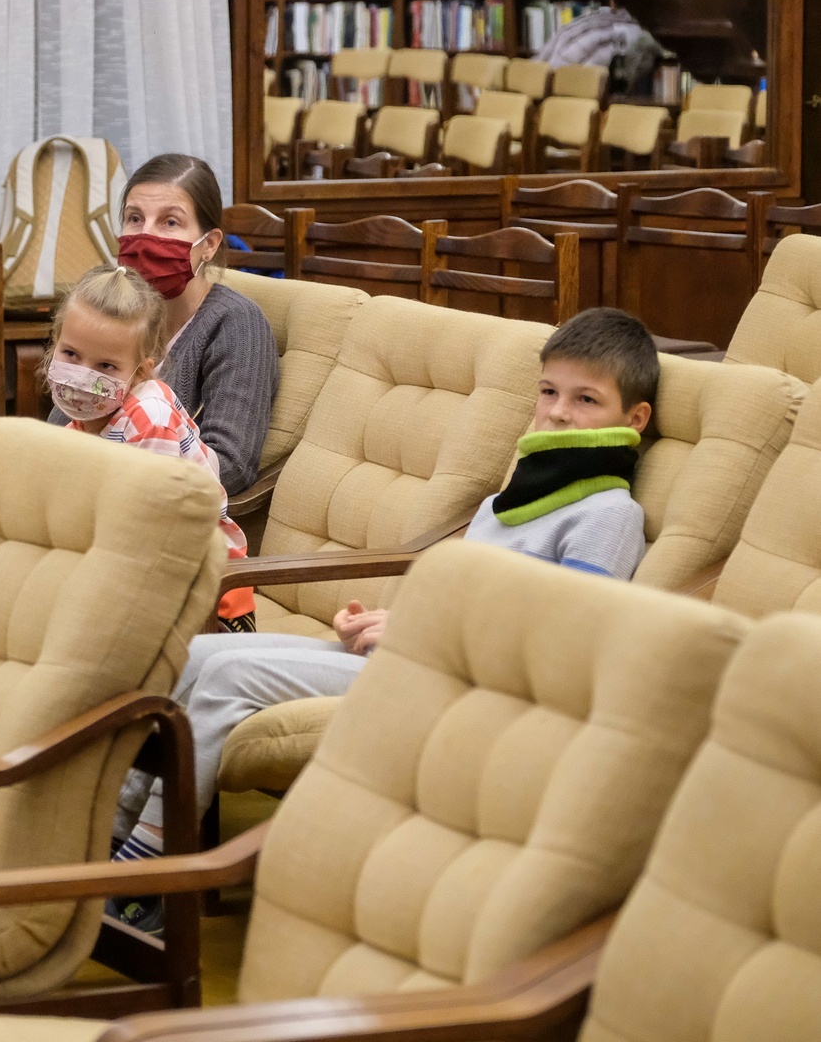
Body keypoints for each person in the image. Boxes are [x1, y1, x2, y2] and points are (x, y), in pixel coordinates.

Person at [108, 307, 659, 935]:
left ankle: (147, 877)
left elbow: (566, 643)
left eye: (586, 399)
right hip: (421, 657)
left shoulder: (608, 514)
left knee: (228, 676)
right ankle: (116, 833)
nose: (558, 413)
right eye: (549, 392)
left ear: (634, 419)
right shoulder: (512, 500)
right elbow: (467, 600)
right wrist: (390, 621)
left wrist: (422, 634)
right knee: (195, 655)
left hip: (466, 687)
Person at [49, 154, 278, 497]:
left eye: (170, 222)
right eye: (134, 218)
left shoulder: (237, 323)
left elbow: (232, 467)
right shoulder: (110, 316)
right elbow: (62, 427)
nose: (145, 236)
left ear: (209, 245)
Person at [48, 265, 256, 631]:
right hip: (134, 579)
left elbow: (150, 529)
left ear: (141, 372)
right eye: (71, 354)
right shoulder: (84, 420)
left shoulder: (151, 418)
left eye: (106, 366)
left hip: (210, 605)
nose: (83, 377)